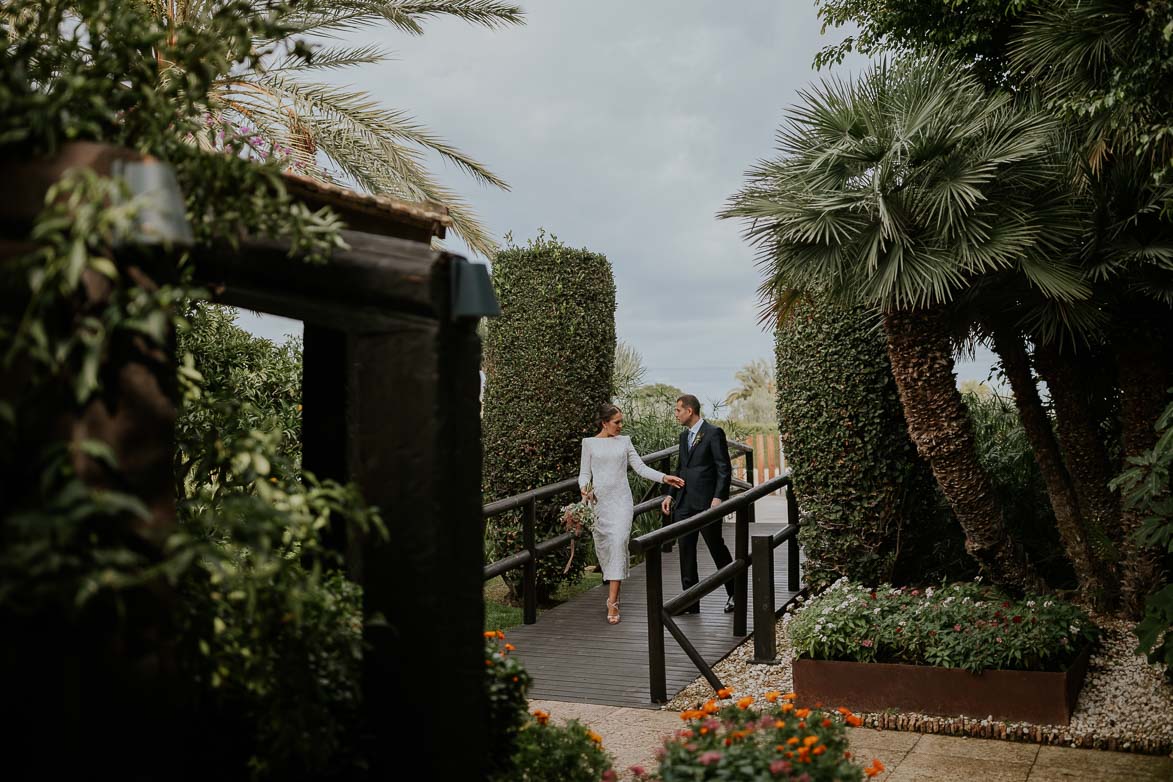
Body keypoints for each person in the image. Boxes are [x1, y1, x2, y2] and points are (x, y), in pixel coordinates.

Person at [579, 402, 685, 624]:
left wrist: (664, 478)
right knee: (605, 549)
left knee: (618, 542)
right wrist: (584, 488)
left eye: (621, 422)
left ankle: (613, 601)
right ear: (604, 423)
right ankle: (614, 584)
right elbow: (584, 474)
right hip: (599, 505)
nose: (620, 426)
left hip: (621, 503)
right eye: (617, 422)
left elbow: (640, 467)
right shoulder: (588, 444)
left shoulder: (624, 442)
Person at [660, 394, 736, 614]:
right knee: (685, 550)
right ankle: (690, 601)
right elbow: (680, 469)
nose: (675, 414)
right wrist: (670, 495)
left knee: (716, 547)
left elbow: (724, 468)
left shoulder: (713, 433)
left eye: (677, 410)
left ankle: (734, 593)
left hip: (707, 503)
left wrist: (718, 498)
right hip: (684, 503)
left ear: (689, 411)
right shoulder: (684, 437)